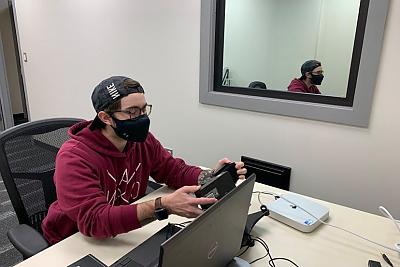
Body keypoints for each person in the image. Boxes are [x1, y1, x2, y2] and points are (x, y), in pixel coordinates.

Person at [42, 76, 246, 244]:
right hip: (72, 241)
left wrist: (208, 177)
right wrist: (162, 205)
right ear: (105, 117)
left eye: (143, 109)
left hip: (121, 232)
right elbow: (94, 220)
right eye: (131, 112)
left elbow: (172, 169)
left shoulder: (141, 141)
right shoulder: (74, 156)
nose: (141, 118)